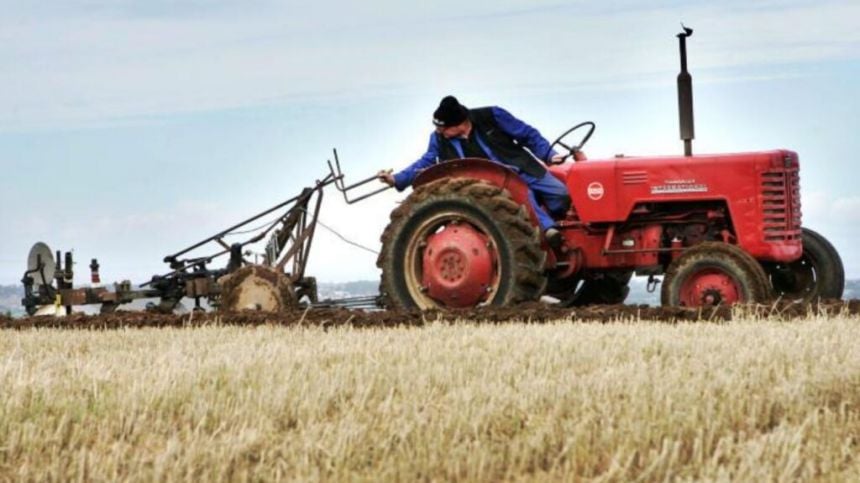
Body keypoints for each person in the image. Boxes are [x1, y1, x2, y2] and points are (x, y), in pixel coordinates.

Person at [378, 95, 576, 247]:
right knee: (525, 196)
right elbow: (427, 161)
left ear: (459, 123)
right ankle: (547, 230)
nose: (439, 132)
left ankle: (560, 227)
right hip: (491, 186)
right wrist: (397, 179)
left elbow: (527, 135)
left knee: (562, 194)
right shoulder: (439, 139)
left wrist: (549, 154)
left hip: (522, 168)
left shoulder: (493, 116)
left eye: (443, 128)